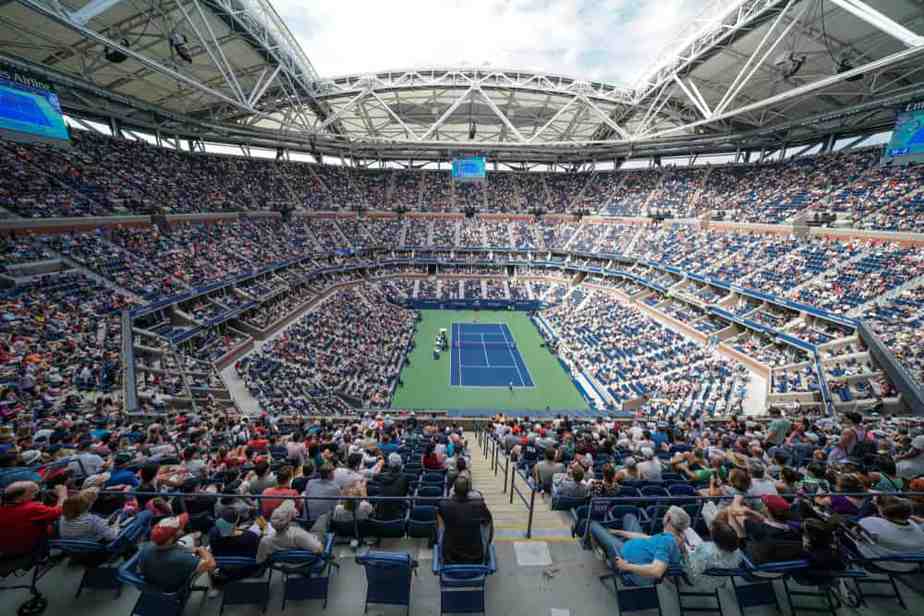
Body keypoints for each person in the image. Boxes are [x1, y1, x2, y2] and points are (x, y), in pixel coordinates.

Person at [590, 505, 690, 586]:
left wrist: (626, 566)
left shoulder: (667, 542)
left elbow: (657, 571)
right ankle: (617, 536)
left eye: (665, 514)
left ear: (668, 518)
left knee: (593, 525)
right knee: (629, 517)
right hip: (641, 550)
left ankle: (599, 551)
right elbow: (647, 538)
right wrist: (618, 532)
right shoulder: (674, 538)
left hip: (625, 560)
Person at [138, 514, 216, 593]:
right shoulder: (180, 558)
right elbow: (211, 564)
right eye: (179, 529)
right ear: (171, 538)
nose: (182, 529)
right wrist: (202, 550)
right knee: (208, 551)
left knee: (192, 538)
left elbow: (174, 546)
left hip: (156, 580)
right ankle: (215, 586)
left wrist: (190, 550)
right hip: (173, 586)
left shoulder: (147, 545)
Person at [0, 481, 67, 557]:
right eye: (34, 493)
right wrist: (62, 494)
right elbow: (60, 510)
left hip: (6, 550)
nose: (35, 496)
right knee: (62, 517)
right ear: (21, 496)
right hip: (29, 548)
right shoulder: (32, 508)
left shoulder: (4, 507)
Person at [437, 477, 493, 564]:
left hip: (449, 558)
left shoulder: (443, 505)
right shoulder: (479, 505)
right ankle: (487, 551)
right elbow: (488, 524)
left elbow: (440, 528)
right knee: (485, 524)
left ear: (454, 490)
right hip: (476, 559)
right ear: (468, 491)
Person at [256, 500, 325, 563]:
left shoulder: (265, 540)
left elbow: (260, 560)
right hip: (306, 561)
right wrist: (315, 539)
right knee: (323, 517)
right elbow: (319, 550)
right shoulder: (298, 535)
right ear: (288, 522)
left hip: (284, 565)